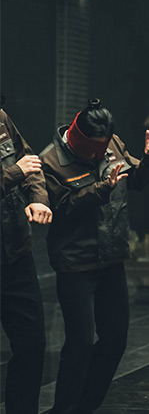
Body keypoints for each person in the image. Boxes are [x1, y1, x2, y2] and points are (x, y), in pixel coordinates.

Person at [40, 99, 149, 414]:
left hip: (111, 258)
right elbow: (62, 207)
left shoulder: (113, 144)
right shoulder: (51, 161)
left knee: (115, 340)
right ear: (77, 138)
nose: (98, 155)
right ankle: (63, 409)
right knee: (80, 342)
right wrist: (101, 188)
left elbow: (136, 180)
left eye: (102, 148)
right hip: (75, 262)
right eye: (92, 150)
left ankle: (85, 407)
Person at [1, 107, 51, 414]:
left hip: (15, 251)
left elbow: (30, 162)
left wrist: (38, 199)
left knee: (32, 346)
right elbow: (20, 168)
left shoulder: (1, 117)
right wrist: (14, 174)